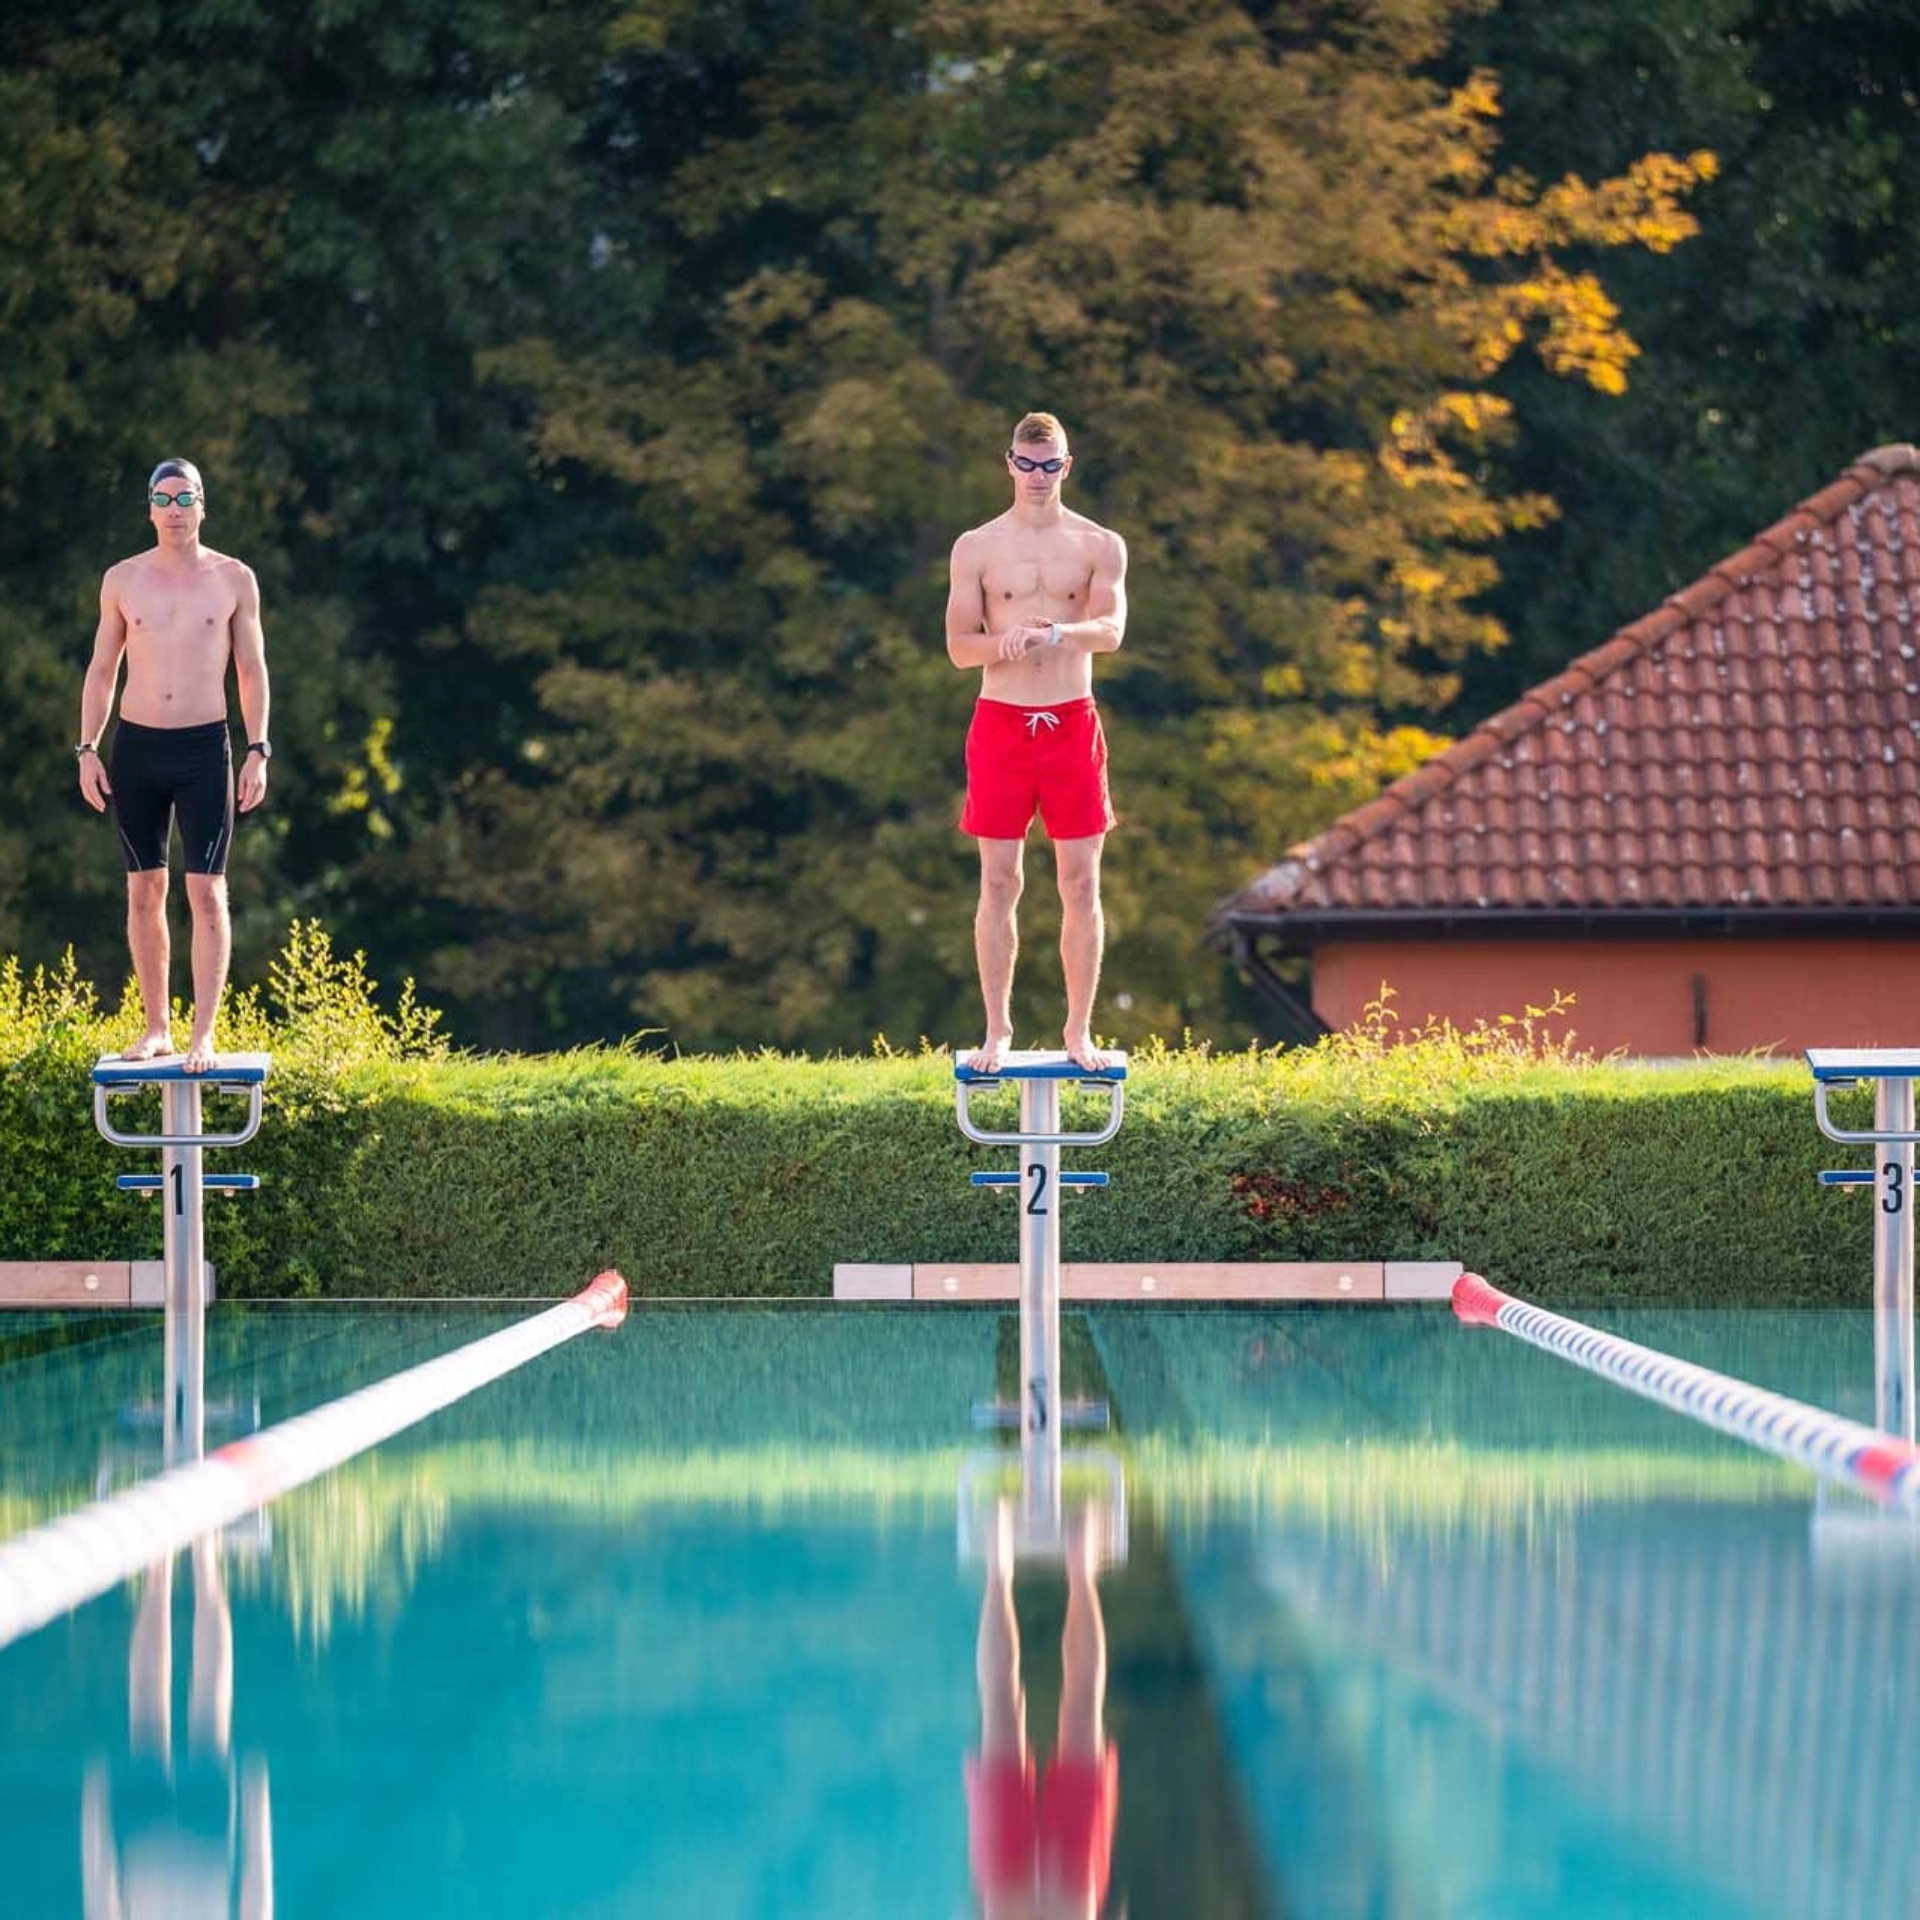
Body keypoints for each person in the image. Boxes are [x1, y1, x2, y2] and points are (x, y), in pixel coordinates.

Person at [76, 459, 272, 1074]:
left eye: (187, 497)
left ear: (203, 506)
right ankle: (157, 1028)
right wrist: (86, 748)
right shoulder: (122, 580)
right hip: (136, 748)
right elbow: (103, 668)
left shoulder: (234, 578)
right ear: (150, 509)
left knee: (207, 891)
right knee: (145, 889)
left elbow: (252, 669)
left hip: (203, 750)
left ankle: (203, 1036)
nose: (176, 508)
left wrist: (258, 749)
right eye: (165, 498)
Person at [946, 413, 1127, 1074]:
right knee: (1001, 880)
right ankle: (998, 1031)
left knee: (1080, 882)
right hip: (1002, 724)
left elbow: (1110, 629)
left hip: (1071, 722)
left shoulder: (1098, 543)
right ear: (1010, 463)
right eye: (1028, 464)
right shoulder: (978, 546)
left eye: (1050, 466)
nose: (1038, 477)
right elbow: (960, 647)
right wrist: (1007, 642)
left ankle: (1079, 1031)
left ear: (1067, 467)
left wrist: (1059, 635)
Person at [966, 1499, 1121, 1920]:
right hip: (1032, 1901)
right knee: (1002, 1702)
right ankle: (1001, 1563)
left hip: (1061, 1899)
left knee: (1080, 1702)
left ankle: (1076, 1562)